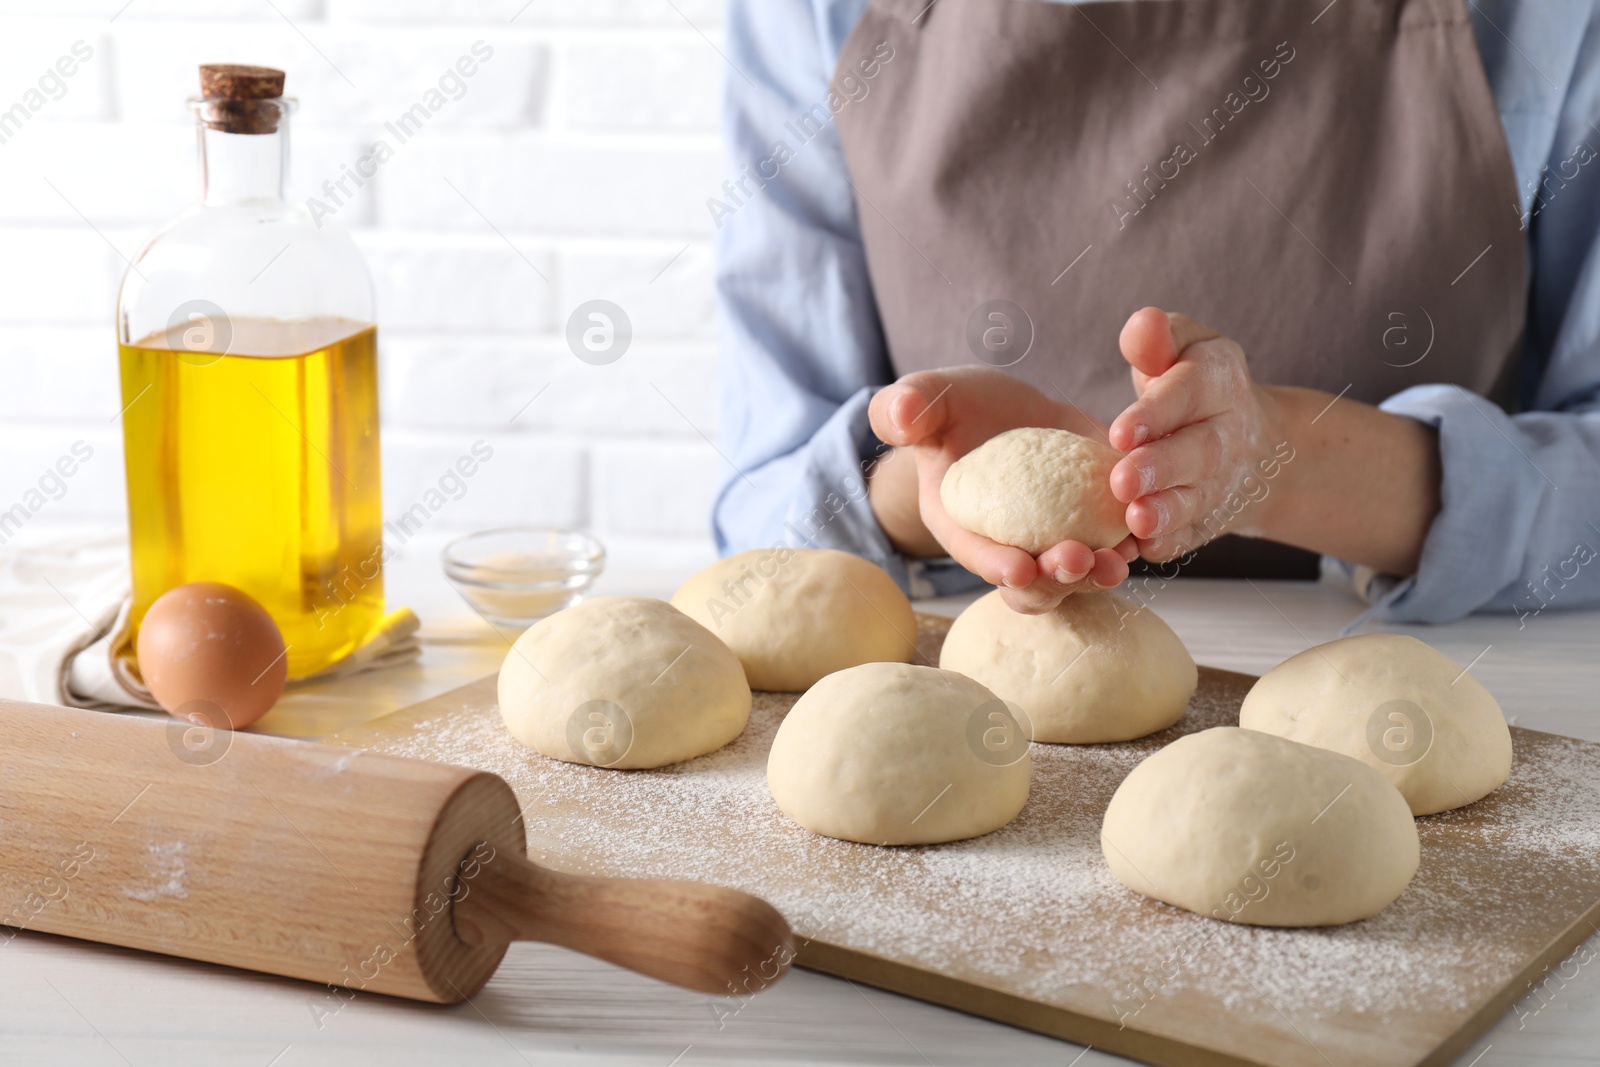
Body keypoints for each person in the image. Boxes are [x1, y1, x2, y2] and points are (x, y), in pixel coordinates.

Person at [710, 0, 1600, 624]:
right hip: (974, 680)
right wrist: (922, 480)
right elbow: (762, 514)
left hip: (1453, 682)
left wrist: (1275, 459)